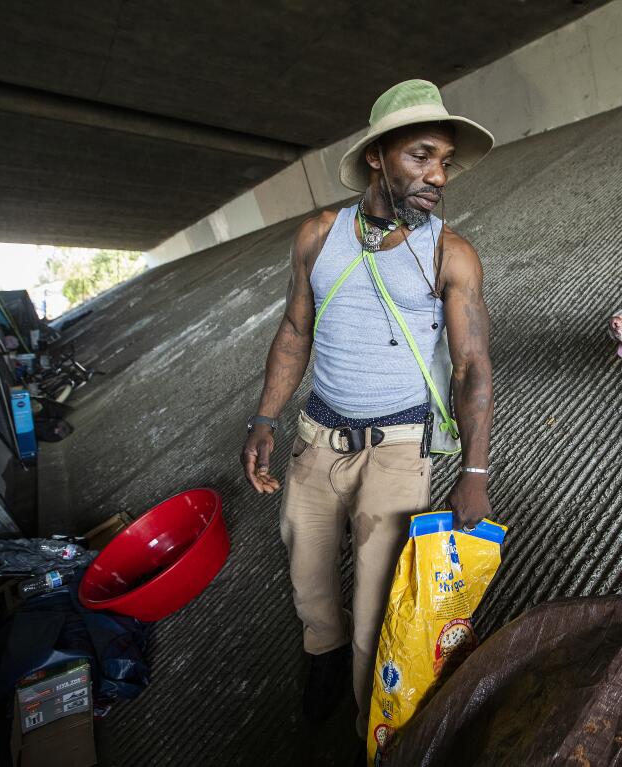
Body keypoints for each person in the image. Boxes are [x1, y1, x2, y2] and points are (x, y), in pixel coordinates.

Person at [239, 79, 496, 746]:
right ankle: (319, 657)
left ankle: (369, 731)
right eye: (421, 156)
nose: (438, 174)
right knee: (308, 574)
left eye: (444, 159)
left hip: (399, 448)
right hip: (316, 440)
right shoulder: (318, 237)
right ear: (378, 155)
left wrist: (474, 469)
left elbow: (471, 364)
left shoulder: (451, 253)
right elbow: (295, 331)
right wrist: (266, 419)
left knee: (376, 609)